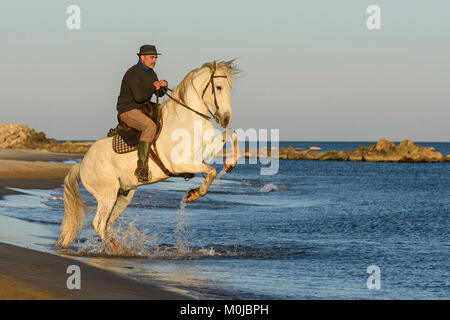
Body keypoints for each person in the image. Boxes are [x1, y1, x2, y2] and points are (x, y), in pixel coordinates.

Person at [116, 45, 168, 182]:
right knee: (150, 127)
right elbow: (139, 97)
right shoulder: (132, 73)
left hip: (141, 109)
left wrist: (163, 86)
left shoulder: (152, 73)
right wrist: (153, 86)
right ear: (142, 57)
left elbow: (157, 93)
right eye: (152, 57)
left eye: (156, 58)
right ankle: (142, 168)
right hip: (127, 110)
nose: (155, 60)